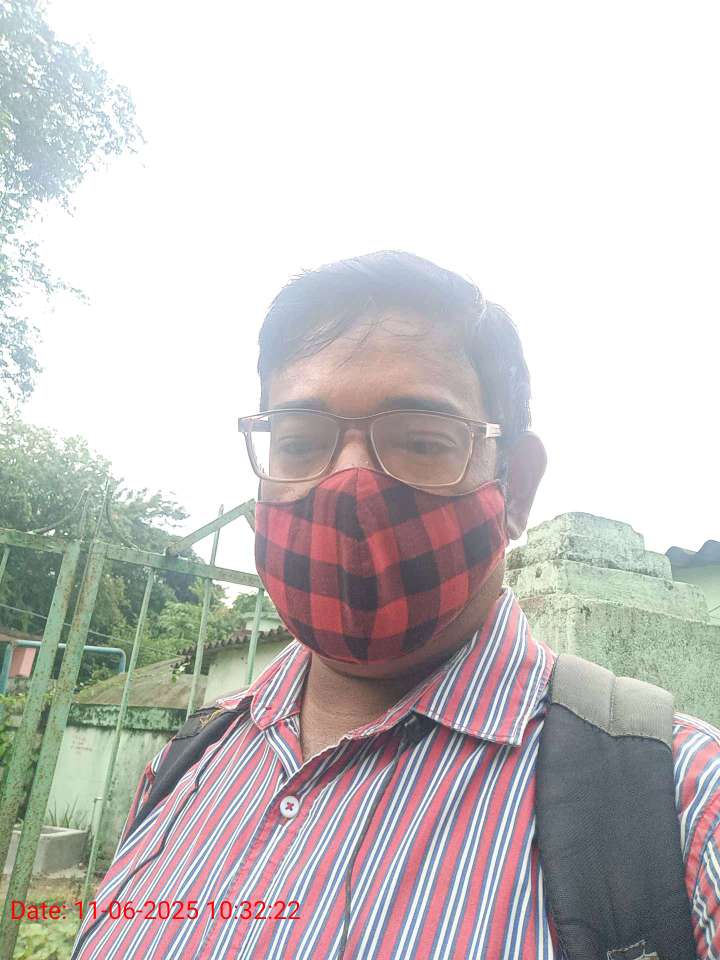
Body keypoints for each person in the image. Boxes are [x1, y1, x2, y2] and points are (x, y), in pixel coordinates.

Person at [72, 251, 720, 959]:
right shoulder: (184, 766)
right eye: (300, 442)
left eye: (419, 441)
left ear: (517, 487)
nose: (350, 482)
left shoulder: (685, 807)